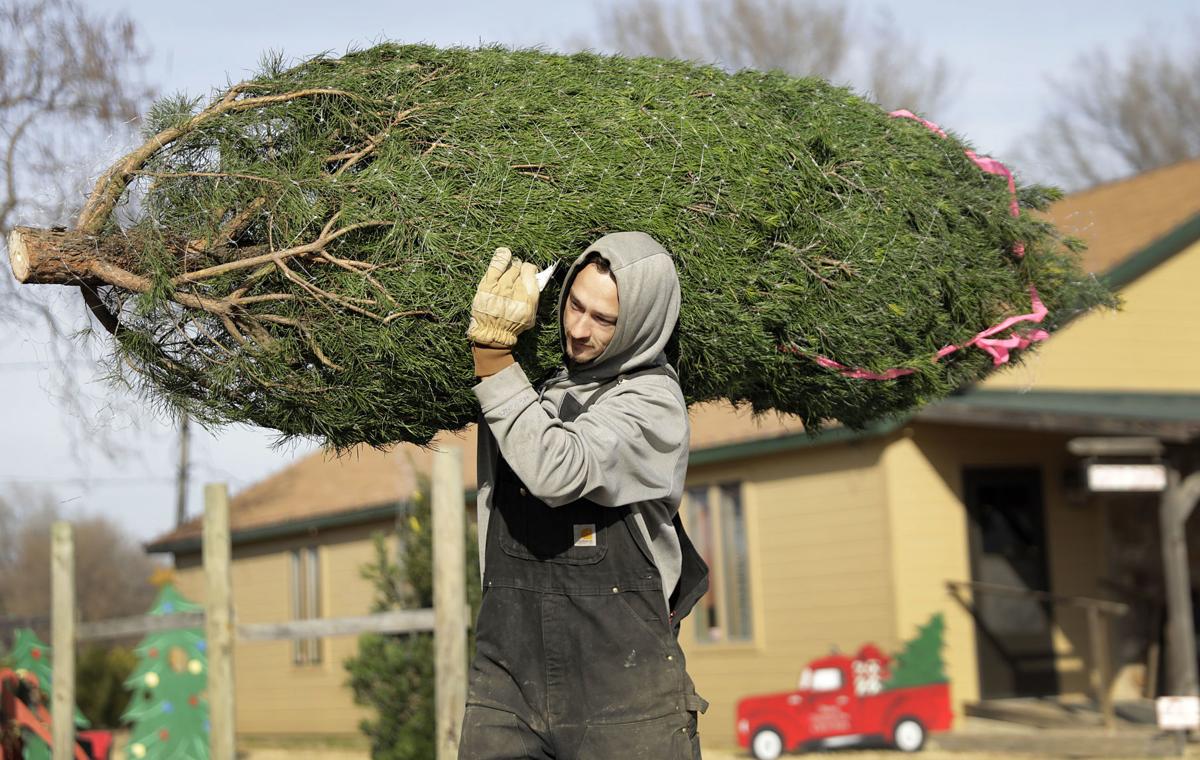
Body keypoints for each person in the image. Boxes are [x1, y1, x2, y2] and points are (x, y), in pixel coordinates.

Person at [459, 232, 709, 759]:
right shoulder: (542, 390)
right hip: (507, 685)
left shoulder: (654, 405)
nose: (577, 328)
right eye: (575, 304)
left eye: (603, 319)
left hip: (625, 697)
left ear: (640, 325)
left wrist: (493, 353)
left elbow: (556, 467)